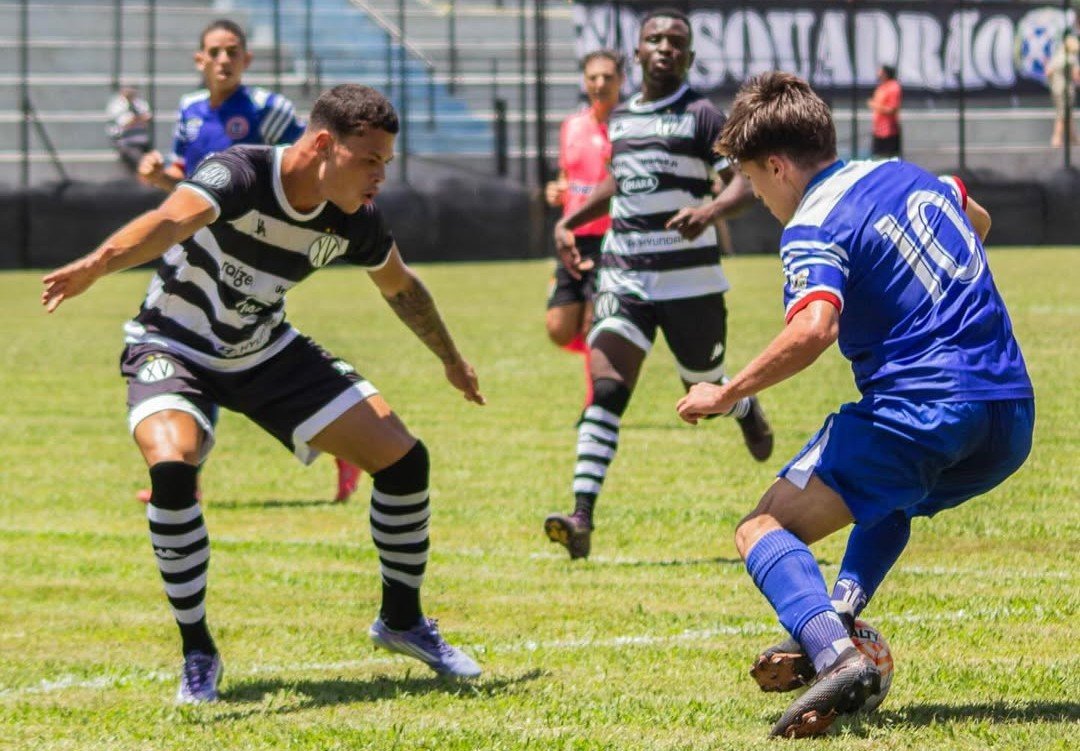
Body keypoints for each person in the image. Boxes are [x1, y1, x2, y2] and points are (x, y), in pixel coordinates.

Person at [42, 84, 487, 703]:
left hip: (264, 350)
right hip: (172, 346)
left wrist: (452, 360)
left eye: (387, 161)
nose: (381, 175)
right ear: (325, 144)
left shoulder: (355, 219)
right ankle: (198, 651)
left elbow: (399, 286)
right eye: (371, 160)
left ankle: (403, 621)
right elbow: (171, 219)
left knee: (404, 459)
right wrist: (95, 265)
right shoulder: (241, 173)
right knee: (172, 467)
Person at [677, 71, 1033, 738]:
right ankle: (838, 615)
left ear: (778, 166)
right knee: (890, 496)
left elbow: (814, 327)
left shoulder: (811, 220)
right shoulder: (908, 174)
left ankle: (837, 655)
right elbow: (973, 215)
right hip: (1008, 414)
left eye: (753, 181)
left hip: (923, 409)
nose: (757, 195)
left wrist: (727, 391)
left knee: (760, 528)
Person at [542, 8, 774, 561]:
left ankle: (744, 408)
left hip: (691, 283)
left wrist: (709, 210)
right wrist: (569, 221)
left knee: (704, 390)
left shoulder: (701, 116)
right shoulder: (621, 119)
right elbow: (618, 181)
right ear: (638, 54)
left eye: (676, 42)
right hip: (625, 278)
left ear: (688, 58)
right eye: (655, 40)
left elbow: (746, 179)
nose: (665, 47)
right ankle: (581, 517)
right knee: (606, 391)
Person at [135, 18, 362, 503]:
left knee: (217, 348)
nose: (223, 60)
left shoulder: (268, 109)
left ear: (247, 60)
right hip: (198, 245)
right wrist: (159, 175)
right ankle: (184, 475)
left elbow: (307, 166)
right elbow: (186, 176)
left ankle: (348, 436)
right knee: (193, 344)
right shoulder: (190, 109)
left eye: (232, 51)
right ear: (200, 60)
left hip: (252, 251)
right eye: (214, 51)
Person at [543, 49, 624, 405]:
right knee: (559, 330)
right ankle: (609, 351)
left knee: (595, 324)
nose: (599, 83)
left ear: (620, 81)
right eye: (593, 77)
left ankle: (596, 405)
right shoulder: (572, 126)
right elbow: (566, 178)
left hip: (612, 238)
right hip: (573, 240)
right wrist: (555, 191)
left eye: (607, 77)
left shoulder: (628, 128)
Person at [105, 85, 153, 174]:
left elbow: (147, 118)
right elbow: (126, 123)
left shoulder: (140, 103)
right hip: (126, 141)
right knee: (139, 161)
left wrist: (136, 119)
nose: (130, 91)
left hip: (142, 140)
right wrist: (138, 119)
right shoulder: (117, 105)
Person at [1047, 35, 1080, 147]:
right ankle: (1056, 139)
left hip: (1056, 89)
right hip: (1066, 90)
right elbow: (1076, 76)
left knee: (1067, 115)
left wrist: (1054, 82)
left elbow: (1048, 72)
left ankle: (1073, 139)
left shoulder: (1057, 56)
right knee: (1063, 115)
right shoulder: (1071, 58)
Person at [868, 65, 902, 158]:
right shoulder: (881, 87)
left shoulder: (893, 87)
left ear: (885, 74)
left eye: (880, 72)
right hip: (878, 129)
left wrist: (875, 106)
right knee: (877, 157)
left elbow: (892, 109)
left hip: (889, 130)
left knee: (889, 158)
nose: (878, 74)